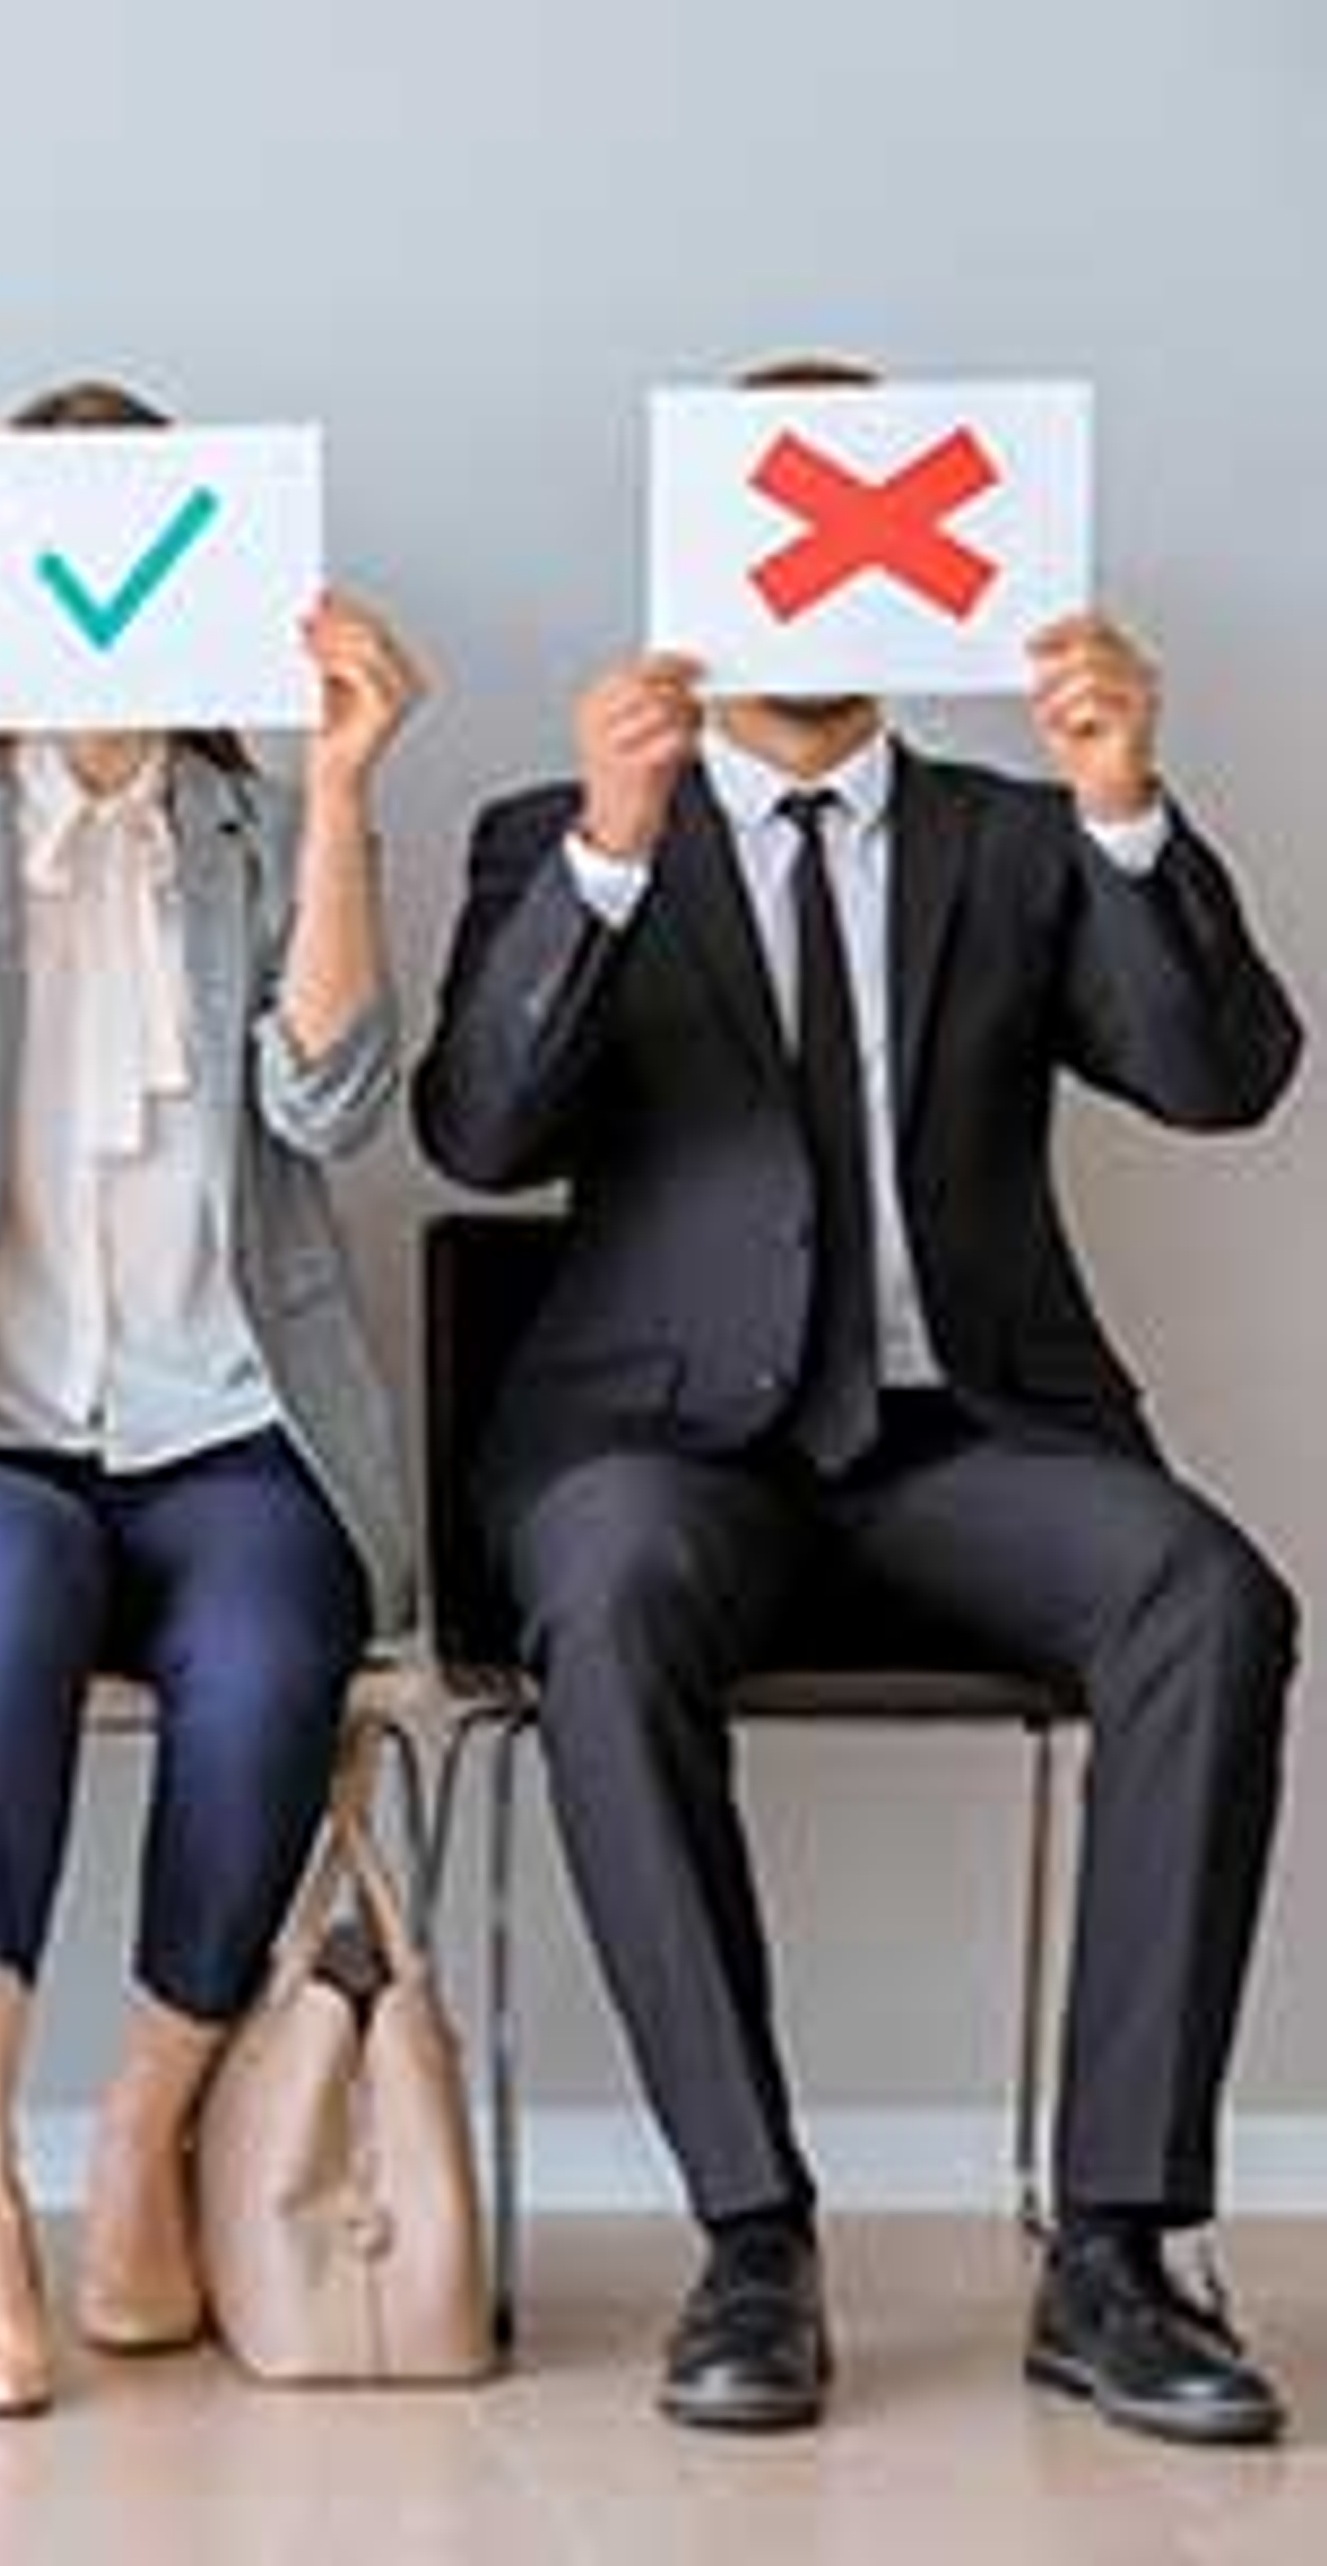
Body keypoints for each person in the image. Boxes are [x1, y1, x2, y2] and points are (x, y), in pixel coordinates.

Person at [415, 359, 1303, 2448]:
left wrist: (1122, 805)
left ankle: (1114, 2244)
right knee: (611, 1582)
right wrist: (616, 865)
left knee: (1212, 1593)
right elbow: (474, 1127)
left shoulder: (1015, 841)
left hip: (966, 1438)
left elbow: (1224, 1073)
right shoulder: (558, 832)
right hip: (664, 1450)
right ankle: (749, 2230)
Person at [0, 380, 428, 2415]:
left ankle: (144, 2124)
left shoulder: (245, 829)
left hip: (221, 1418)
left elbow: (332, 1094)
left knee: (269, 1639)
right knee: (13, 1595)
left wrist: (338, 792)